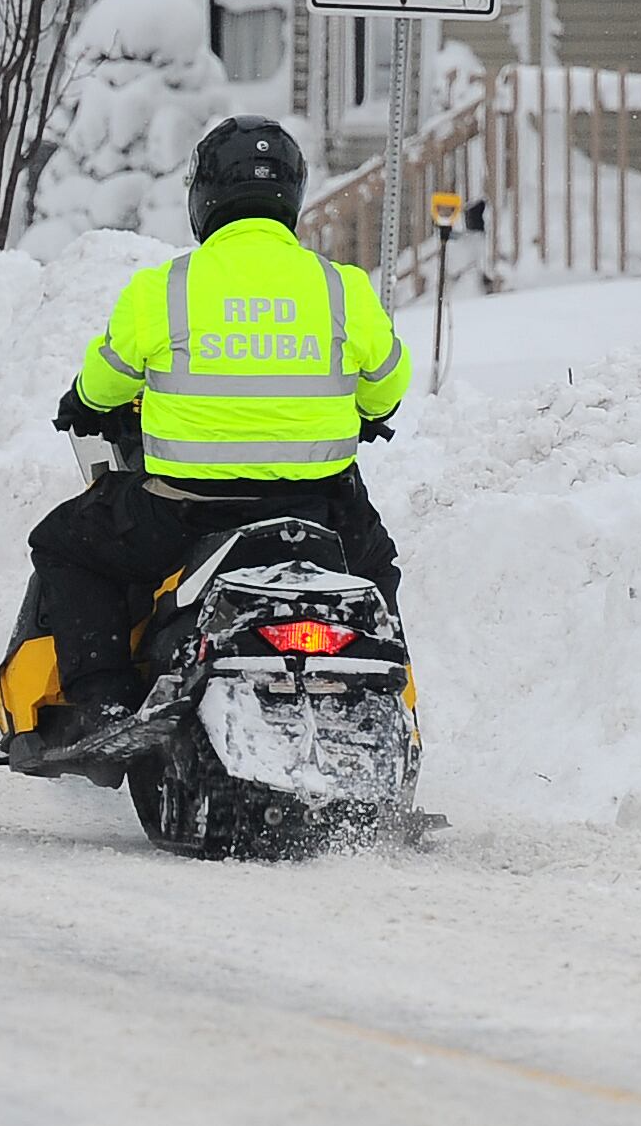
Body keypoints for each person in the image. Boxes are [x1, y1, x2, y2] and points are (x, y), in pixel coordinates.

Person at [21, 114, 408, 724]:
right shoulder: (342, 288)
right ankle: (387, 702)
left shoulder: (164, 289)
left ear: (203, 196)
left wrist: (86, 404)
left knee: (65, 544)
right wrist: (365, 412)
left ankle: (104, 698)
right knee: (375, 570)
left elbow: (105, 383)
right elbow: (388, 385)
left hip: (184, 512)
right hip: (318, 511)